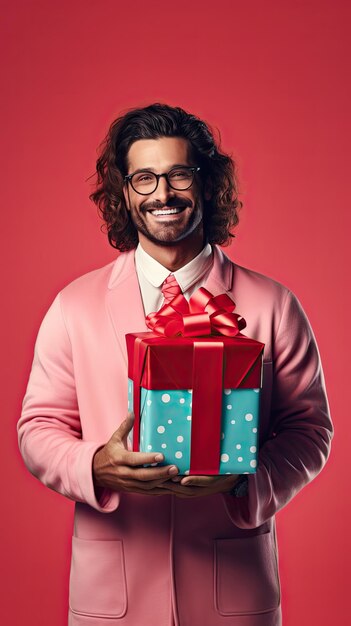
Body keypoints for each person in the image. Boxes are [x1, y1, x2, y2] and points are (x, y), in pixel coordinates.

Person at [18, 103, 333, 626]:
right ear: (124, 193)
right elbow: (38, 427)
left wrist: (241, 482)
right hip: (112, 593)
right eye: (144, 179)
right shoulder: (73, 304)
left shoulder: (274, 304)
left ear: (207, 185)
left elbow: (309, 431)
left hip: (233, 590)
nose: (162, 194)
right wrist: (94, 466)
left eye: (178, 175)